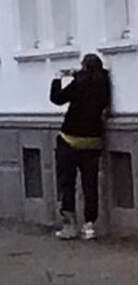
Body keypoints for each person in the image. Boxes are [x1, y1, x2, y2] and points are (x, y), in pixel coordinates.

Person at [50, 53, 112, 240]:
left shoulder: (79, 83)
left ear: (83, 66)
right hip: (93, 141)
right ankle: (89, 225)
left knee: (67, 182)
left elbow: (57, 99)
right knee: (90, 183)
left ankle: (70, 225)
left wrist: (58, 77)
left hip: (70, 139)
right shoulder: (104, 84)